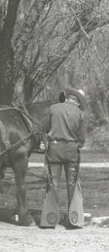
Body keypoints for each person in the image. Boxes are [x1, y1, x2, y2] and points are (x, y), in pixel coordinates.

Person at [41, 88, 87, 229]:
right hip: (71, 151)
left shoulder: (52, 109)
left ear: (66, 98)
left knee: (52, 185)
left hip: (54, 151)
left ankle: (50, 220)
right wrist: (75, 143)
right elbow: (82, 139)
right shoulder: (80, 114)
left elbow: (44, 129)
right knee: (73, 185)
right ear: (77, 102)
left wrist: (46, 142)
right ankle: (74, 220)